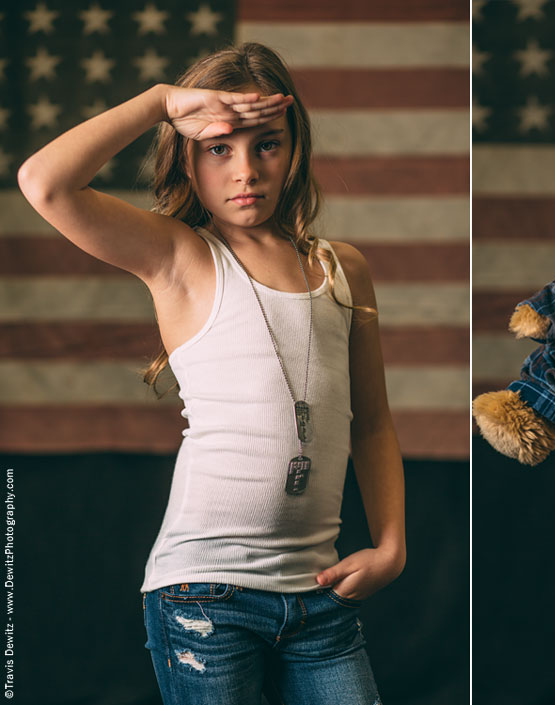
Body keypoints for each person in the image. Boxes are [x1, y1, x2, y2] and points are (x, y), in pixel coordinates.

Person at [17, 43, 405, 704]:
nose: (246, 170)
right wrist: (162, 102)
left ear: (296, 149)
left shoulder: (344, 270)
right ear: (187, 158)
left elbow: (371, 422)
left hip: (318, 597)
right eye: (219, 148)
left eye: (267, 145)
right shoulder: (181, 256)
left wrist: (392, 543)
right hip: (206, 595)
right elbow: (44, 182)